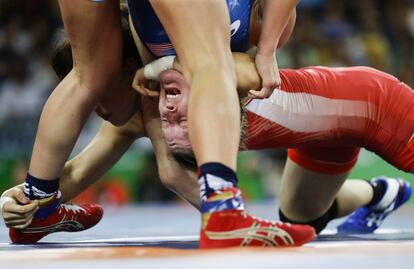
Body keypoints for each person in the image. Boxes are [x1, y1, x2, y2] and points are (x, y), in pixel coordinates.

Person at [2, 44, 411, 243]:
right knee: (302, 218)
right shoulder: (134, 119)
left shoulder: (197, 69)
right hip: (320, 141)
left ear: (129, 69)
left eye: (93, 96)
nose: (92, 110)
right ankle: (381, 194)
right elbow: (69, 175)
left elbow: (172, 172)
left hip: (371, 103)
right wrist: (24, 200)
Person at [19, 0, 301, 248]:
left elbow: (168, 168)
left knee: (88, 76)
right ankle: (223, 207)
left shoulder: (152, 87)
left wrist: (21, 202)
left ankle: (39, 201)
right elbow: (223, 71)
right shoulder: (261, 30)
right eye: (186, 123)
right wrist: (266, 50)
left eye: (169, 126)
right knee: (209, 64)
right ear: (227, 109)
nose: (168, 112)